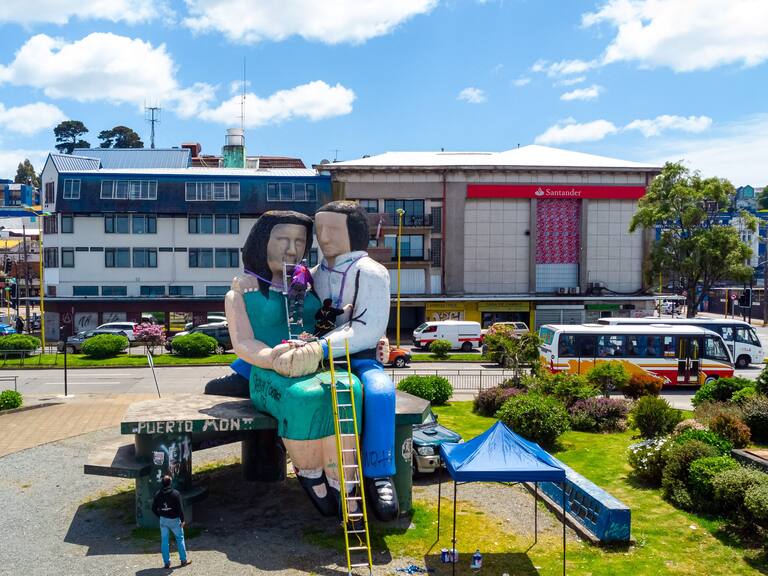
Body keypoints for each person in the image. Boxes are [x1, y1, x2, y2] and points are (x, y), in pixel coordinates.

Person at [225, 211, 363, 517]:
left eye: (299, 241)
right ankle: (309, 469)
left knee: (349, 387)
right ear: (262, 241)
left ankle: (341, 475)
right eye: (283, 239)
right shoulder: (242, 292)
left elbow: (323, 323)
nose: (292, 249)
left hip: (310, 362)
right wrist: (272, 357)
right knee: (302, 396)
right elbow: (244, 342)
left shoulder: (305, 285)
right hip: (268, 372)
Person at [272, 201, 400, 522]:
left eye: (332, 230)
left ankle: (378, 471)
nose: (323, 237)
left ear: (353, 232)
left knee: (381, 392)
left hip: (357, 358)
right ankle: (309, 465)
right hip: (317, 360)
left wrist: (319, 348)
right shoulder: (312, 275)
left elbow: (367, 329)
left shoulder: (371, 272)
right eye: (320, 229)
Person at [151, 475, 191, 569]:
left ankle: (166, 563)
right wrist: (183, 520)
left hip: (163, 520)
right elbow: (180, 509)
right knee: (180, 539)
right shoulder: (176, 494)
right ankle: (183, 560)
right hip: (174, 520)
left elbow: (153, 508)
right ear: (170, 483)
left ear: (162, 483)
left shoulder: (158, 494)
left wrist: (160, 515)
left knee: (164, 541)